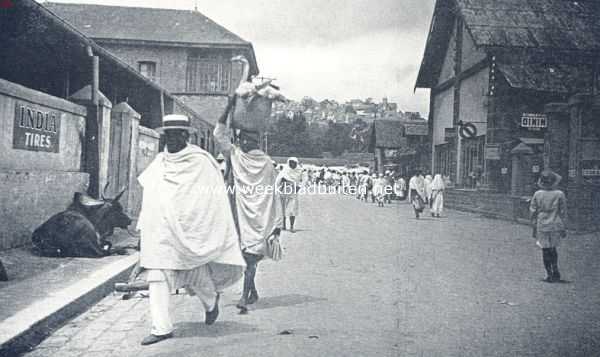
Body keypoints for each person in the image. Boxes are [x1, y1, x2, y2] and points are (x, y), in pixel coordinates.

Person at [136, 114, 246, 346]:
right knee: (157, 275)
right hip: (162, 230)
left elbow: (213, 199)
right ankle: (161, 328)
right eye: (168, 135)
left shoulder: (201, 161)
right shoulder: (159, 162)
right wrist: (145, 226)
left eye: (177, 134)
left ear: (186, 136)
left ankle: (210, 302)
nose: (171, 139)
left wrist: (194, 220)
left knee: (193, 270)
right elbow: (150, 196)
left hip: (193, 227)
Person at [214, 96, 283, 314]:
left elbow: (273, 194)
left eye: (249, 139)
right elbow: (218, 134)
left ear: (256, 141)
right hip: (238, 213)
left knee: (250, 256)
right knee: (247, 255)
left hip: (260, 216)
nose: (246, 143)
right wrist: (227, 107)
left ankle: (245, 295)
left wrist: (277, 222)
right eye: (244, 139)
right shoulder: (235, 156)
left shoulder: (265, 163)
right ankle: (251, 291)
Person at [530, 170, 567, 283]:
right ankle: (556, 270)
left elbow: (532, 211)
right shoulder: (560, 194)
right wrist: (564, 226)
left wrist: (533, 224)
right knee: (553, 248)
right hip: (555, 223)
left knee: (545, 249)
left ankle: (548, 273)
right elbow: (563, 211)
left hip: (542, 223)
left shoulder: (537, 194)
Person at [276, 157, 303, 232]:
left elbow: (302, 181)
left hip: (293, 192)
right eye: (291, 163)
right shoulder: (285, 170)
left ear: (296, 163)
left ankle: (291, 226)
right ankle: (283, 225)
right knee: (282, 209)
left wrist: (299, 187)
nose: (292, 164)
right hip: (283, 191)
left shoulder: (299, 171)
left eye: (294, 163)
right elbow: (279, 179)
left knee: (292, 209)